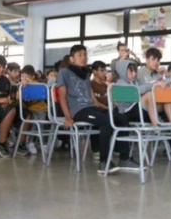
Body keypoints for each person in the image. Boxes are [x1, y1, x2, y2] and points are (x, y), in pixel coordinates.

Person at [56, 44, 137, 174]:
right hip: (78, 111)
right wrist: (68, 118)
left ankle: (124, 158)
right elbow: (62, 96)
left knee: (121, 117)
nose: (83, 57)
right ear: (71, 59)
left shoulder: (86, 75)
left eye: (85, 55)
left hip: (91, 108)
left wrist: (108, 109)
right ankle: (104, 162)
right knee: (106, 120)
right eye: (80, 55)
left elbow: (93, 100)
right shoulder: (64, 72)